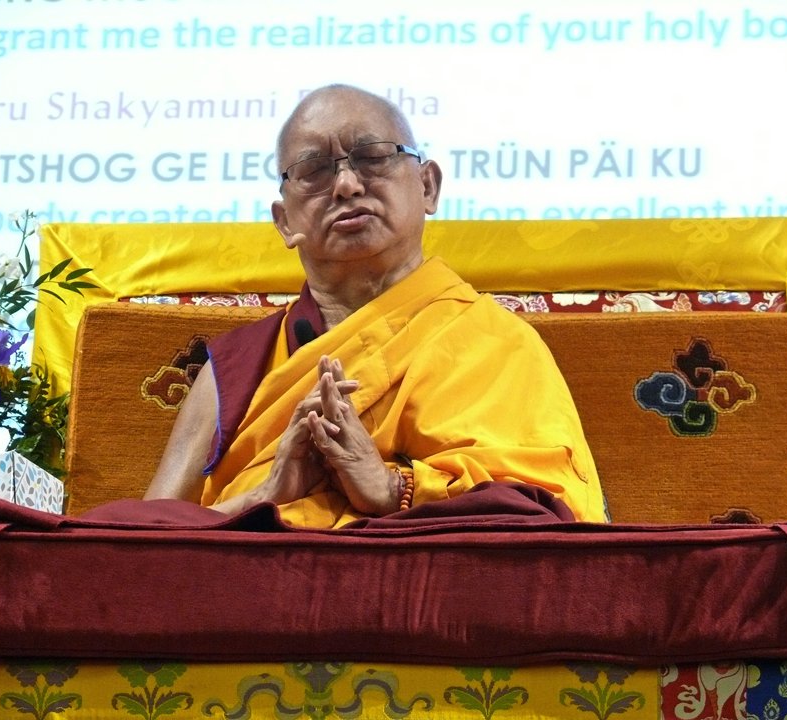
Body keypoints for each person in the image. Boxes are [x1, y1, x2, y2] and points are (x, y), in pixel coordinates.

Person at [143, 83, 608, 527]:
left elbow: (548, 517)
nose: (346, 185)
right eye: (314, 170)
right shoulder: (237, 366)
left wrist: (393, 489)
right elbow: (143, 545)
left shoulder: (498, 342)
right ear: (284, 222)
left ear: (428, 187)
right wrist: (263, 498)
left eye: (372, 157)